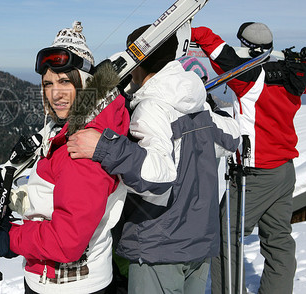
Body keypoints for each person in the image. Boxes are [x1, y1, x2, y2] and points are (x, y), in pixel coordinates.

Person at [66, 24, 241, 294]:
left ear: (137, 62)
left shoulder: (150, 108)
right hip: (198, 243)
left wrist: (104, 148)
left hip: (160, 247)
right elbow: (232, 139)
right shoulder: (197, 102)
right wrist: (214, 112)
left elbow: (157, 176)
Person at [0, 21, 131, 294]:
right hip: (64, 279)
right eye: (48, 83)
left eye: (65, 81)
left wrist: (10, 238)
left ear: (85, 83)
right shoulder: (69, 130)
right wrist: (11, 203)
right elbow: (54, 196)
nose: (55, 93)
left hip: (70, 285)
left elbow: (67, 241)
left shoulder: (82, 146)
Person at [191, 22, 306, 294]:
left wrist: (192, 31)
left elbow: (217, 51)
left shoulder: (247, 76)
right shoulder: (294, 74)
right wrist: (303, 61)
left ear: (246, 47)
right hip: (284, 171)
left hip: (255, 173)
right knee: (278, 239)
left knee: (227, 235)